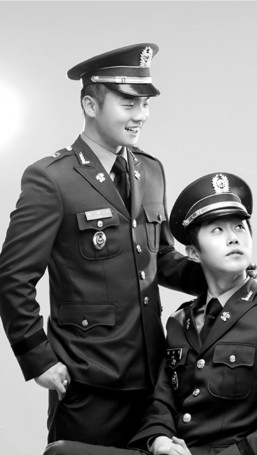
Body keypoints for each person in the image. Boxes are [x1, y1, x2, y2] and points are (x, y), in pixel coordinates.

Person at [0, 43, 206, 447]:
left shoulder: (151, 170)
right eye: (129, 103)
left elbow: (161, 258)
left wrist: (215, 276)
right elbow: (12, 276)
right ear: (90, 104)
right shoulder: (52, 179)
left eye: (145, 104)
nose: (141, 115)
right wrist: (38, 358)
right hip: (88, 383)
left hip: (152, 382)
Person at [44, 172, 257, 455]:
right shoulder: (181, 321)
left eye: (239, 227)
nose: (233, 238)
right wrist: (159, 440)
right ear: (194, 253)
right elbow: (161, 403)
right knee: (59, 453)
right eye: (217, 230)